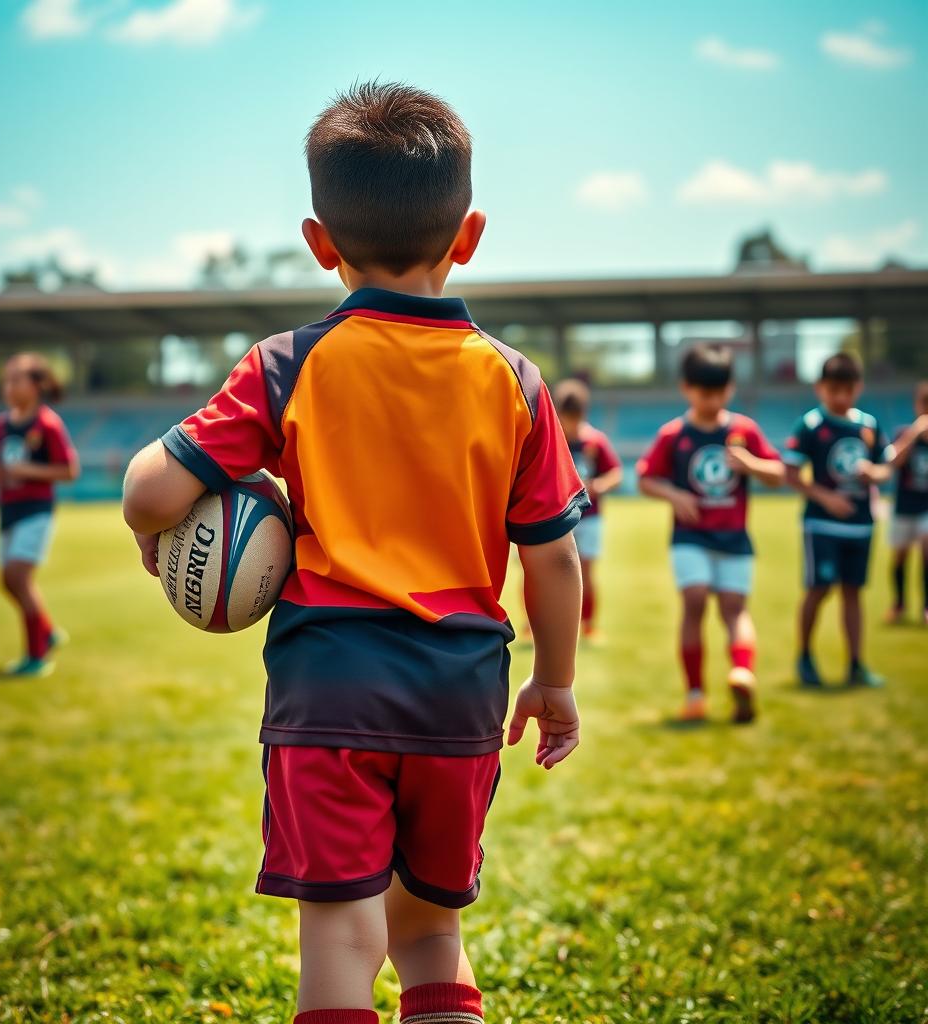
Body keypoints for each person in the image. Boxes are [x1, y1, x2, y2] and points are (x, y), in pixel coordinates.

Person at [122, 82, 586, 1024]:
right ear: (470, 234)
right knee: (429, 933)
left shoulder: (288, 364)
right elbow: (553, 559)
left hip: (328, 682)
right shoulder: (517, 382)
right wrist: (557, 682)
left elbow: (148, 492)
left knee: (340, 935)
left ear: (318, 243)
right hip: (462, 688)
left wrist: (150, 534)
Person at [637, 344, 783, 723]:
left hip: (734, 537)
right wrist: (673, 493)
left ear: (730, 389)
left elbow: (778, 474)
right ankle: (695, 693)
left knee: (735, 610)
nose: (712, 400)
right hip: (691, 537)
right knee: (696, 600)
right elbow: (645, 479)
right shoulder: (674, 435)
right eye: (705, 393)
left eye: (719, 393)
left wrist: (750, 464)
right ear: (687, 389)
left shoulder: (744, 431)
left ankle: (742, 673)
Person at [783, 352, 893, 687]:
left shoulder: (868, 425)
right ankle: (805, 657)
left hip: (860, 524)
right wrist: (825, 497)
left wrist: (874, 472)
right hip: (821, 525)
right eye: (834, 390)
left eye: (847, 390)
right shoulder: (811, 425)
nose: (841, 398)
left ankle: (856, 664)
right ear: (821, 388)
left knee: (852, 593)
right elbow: (790, 473)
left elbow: (885, 467)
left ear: (858, 387)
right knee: (818, 590)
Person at [0, 352, 79, 677]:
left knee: (17, 578)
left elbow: (69, 470)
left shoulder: (47, 424)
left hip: (36, 511)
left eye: (15, 380)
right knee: (8, 582)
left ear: (36, 385)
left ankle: (36, 655)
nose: (8, 387)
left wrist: (29, 469)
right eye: (5, 381)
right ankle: (47, 630)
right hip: (8, 510)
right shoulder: (1, 424)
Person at [553, 378, 622, 638]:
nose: (571, 425)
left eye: (575, 418)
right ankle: (533, 625)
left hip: (590, 517)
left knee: (586, 571)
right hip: (557, 518)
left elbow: (615, 473)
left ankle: (588, 623)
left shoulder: (595, 441)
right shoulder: (552, 439)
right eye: (566, 417)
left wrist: (600, 486)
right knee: (542, 572)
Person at [885, 381, 928, 624]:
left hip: (926, 507)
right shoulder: (905, 433)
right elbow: (892, 462)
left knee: (927, 549)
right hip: (904, 506)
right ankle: (899, 604)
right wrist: (914, 434)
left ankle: (926, 606)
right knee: (900, 557)